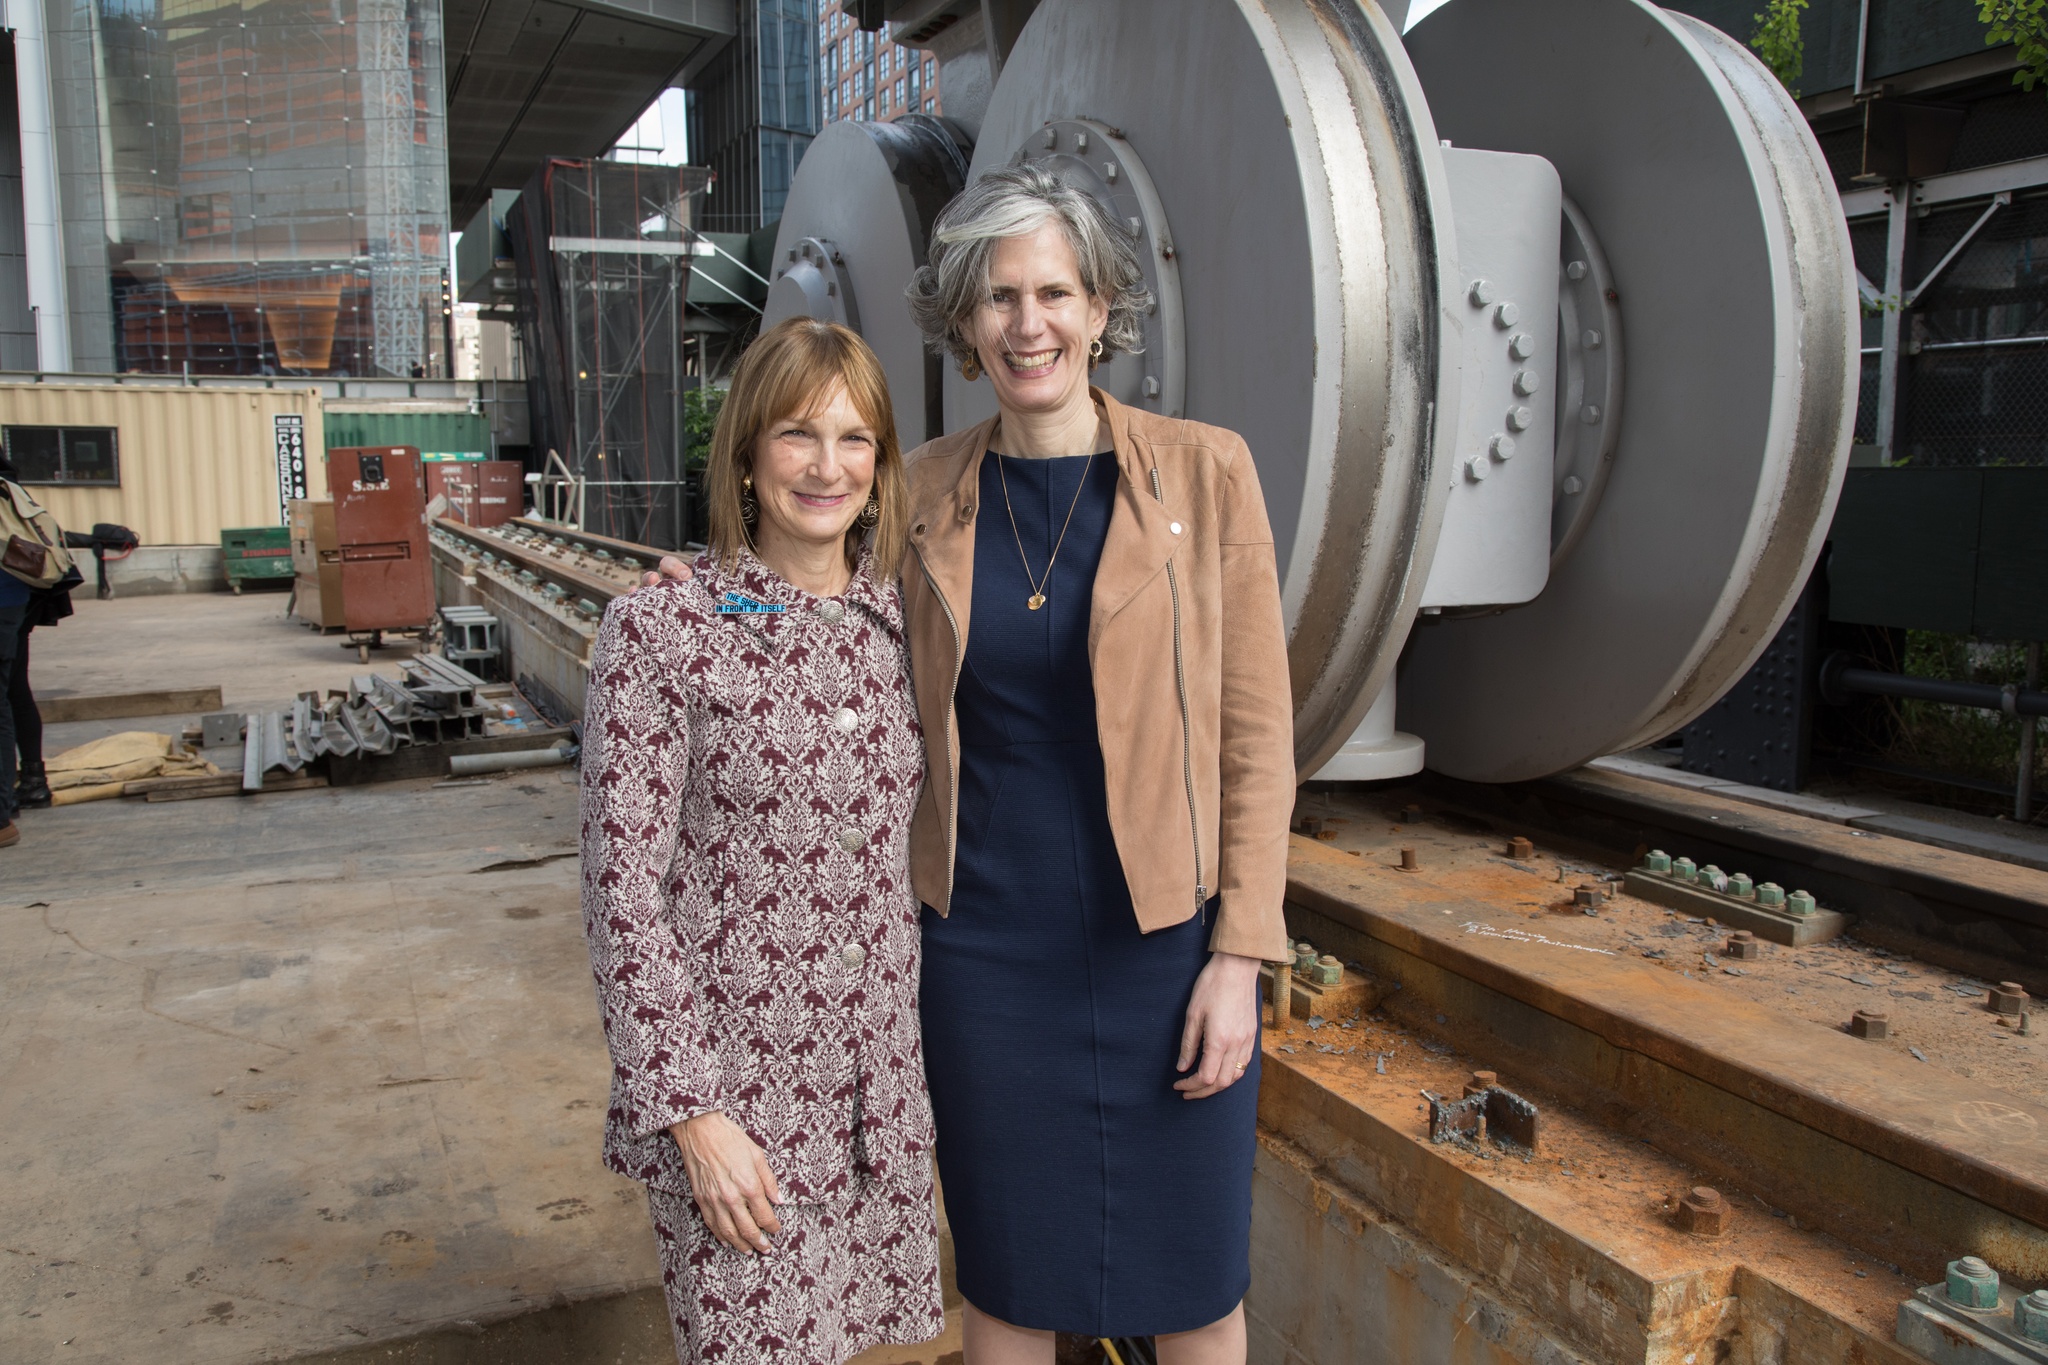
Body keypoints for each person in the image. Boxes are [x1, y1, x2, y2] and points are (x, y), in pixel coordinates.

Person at [652, 163, 1297, 1364]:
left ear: (1102, 310)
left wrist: (1240, 952)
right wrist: (704, 583)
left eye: (1054, 292)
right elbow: (807, 578)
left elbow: (1256, 738)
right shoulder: (924, 491)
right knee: (1007, 1277)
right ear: (963, 319)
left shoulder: (1206, 476)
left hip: (1163, 943)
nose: (1026, 322)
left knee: (1195, 1285)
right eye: (997, 295)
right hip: (981, 954)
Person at [579, 317, 942, 1365]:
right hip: (739, 1108)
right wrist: (691, 1115)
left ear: (879, 467)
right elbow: (621, 894)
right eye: (796, 435)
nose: (826, 467)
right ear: (746, 452)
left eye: (854, 440)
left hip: (875, 1097)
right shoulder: (664, 631)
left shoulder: (904, 624)